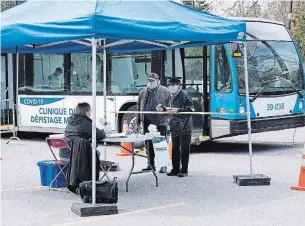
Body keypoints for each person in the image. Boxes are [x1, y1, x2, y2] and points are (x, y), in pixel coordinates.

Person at [136, 73, 171, 172]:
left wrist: (166, 118)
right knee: (148, 144)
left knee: (160, 144)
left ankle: (163, 165)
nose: (150, 82)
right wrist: (139, 120)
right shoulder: (143, 91)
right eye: (149, 80)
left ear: (158, 81)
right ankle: (150, 164)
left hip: (160, 122)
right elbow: (139, 106)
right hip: (147, 122)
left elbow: (170, 107)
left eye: (153, 81)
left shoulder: (165, 91)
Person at [165, 77, 194, 177]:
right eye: (170, 85)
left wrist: (178, 110)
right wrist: (162, 108)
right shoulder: (170, 95)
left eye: (173, 85)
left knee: (184, 149)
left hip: (185, 125)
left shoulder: (184, 95)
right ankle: (175, 169)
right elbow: (166, 106)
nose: (171, 87)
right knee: (174, 148)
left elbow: (191, 109)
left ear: (179, 86)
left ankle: (184, 170)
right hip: (174, 125)